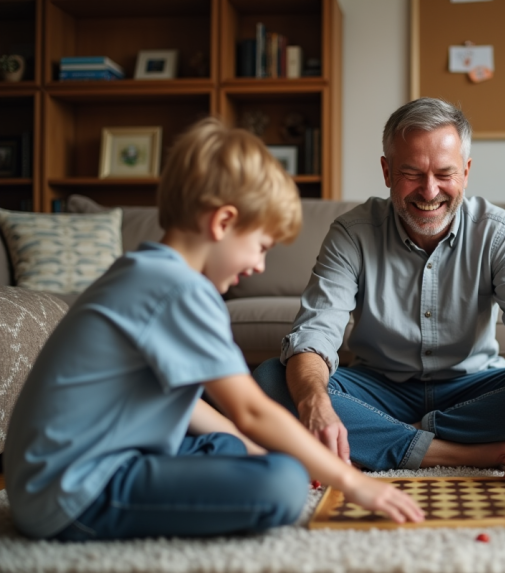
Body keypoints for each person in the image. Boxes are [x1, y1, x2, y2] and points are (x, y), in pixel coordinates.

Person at [4, 118, 423, 541]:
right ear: (223, 222)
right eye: (260, 247)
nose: (259, 265)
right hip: (75, 494)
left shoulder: (141, 270)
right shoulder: (180, 290)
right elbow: (251, 410)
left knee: (240, 448)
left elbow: (192, 407)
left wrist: (258, 449)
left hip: (49, 481)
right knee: (282, 482)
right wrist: (353, 483)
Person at [253, 98, 505, 490]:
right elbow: (315, 335)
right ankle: (461, 453)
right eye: (412, 173)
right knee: (272, 380)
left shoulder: (500, 231)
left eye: (444, 173)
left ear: (466, 172)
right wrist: (316, 403)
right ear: (386, 171)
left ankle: (387, 438)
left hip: (472, 390)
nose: (429, 190)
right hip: (379, 388)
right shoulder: (351, 233)